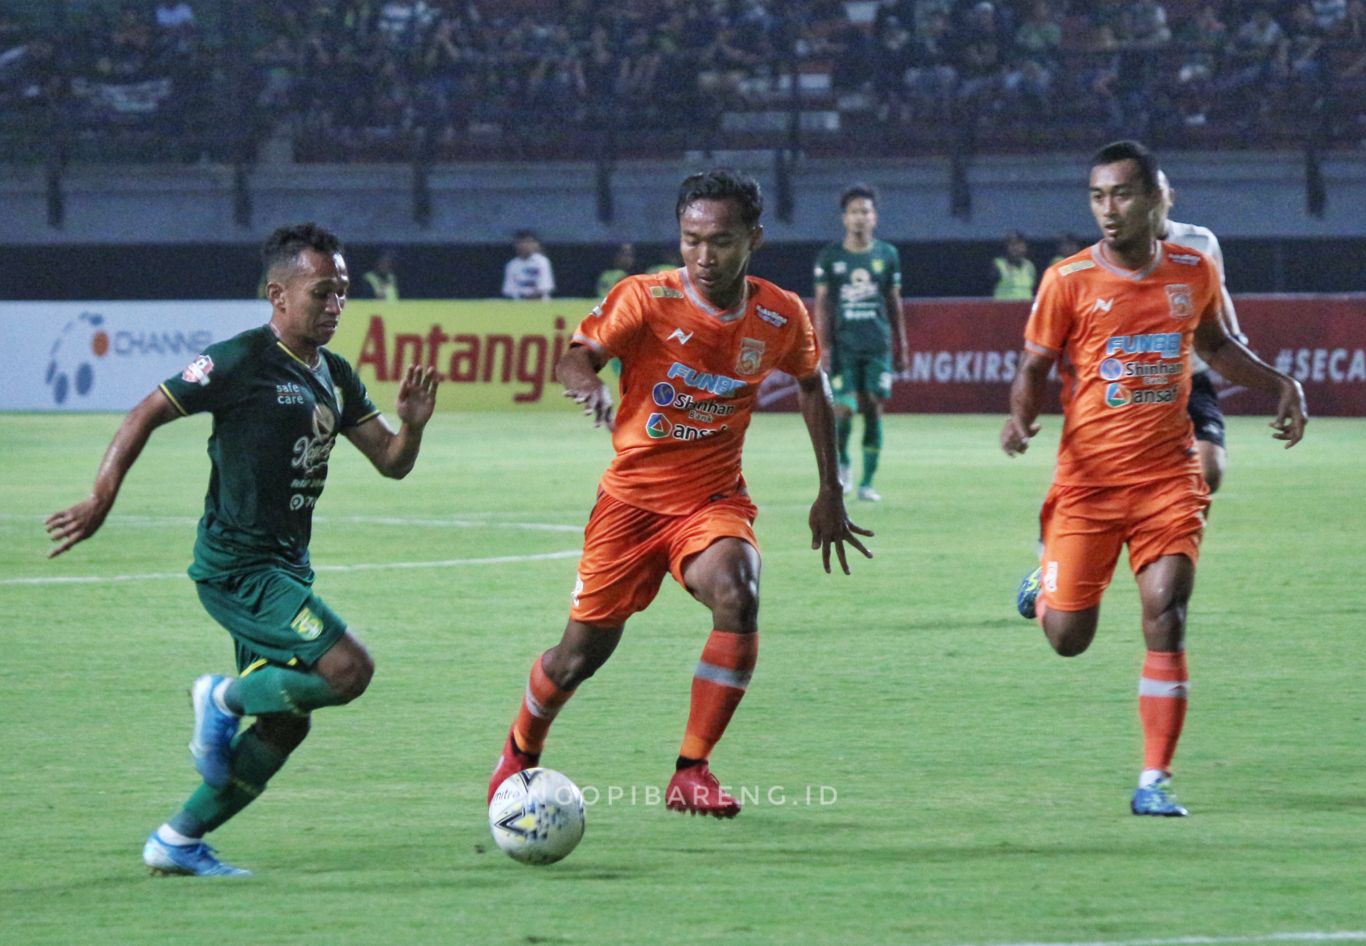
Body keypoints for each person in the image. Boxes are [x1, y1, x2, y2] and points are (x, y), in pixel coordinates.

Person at [46, 223, 439, 876]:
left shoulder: (335, 374)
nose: (336, 305)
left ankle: (176, 841)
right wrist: (102, 496)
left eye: (343, 292)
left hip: (284, 568)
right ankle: (221, 699)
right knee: (348, 671)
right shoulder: (238, 361)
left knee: (288, 723)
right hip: (239, 567)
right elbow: (145, 411)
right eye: (323, 292)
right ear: (277, 294)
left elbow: (392, 463)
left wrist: (416, 427)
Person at [487, 169, 873, 818]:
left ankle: (691, 770)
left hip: (711, 501)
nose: (702, 256)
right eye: (690, 239)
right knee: (579, 655)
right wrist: (588, 382)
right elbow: (575, 356)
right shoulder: (645, 297)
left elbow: (813, 384)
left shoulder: (780, 313)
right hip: (630, 506)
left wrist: (830, 489)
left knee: (739, 589)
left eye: (719, 241)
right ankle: (521, 750)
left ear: (754, 239)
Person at [1002, 141, 1306, 818]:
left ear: (1154, 200)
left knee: (1165, 612)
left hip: (1168, 478)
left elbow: (1218, 345)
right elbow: (1034, 364)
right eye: (1098, 197)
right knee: (1068, 638)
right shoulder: (1067, 279)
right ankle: (1044, 583)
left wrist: (1282, 383)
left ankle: (1153, 780)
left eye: (1123, 195)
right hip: (1089, 484)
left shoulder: (1194, 269)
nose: (1109, 210)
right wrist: (1020, 418)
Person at [1153, 170, 1249, 493]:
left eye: (1157, 190)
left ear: (1169, 196)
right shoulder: (1117, 252)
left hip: (1191, 375)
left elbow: (1218, 292)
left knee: (1210, 471)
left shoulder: (1200, 241)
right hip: (1141, 382)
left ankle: (1179, 534)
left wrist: (1234, 338)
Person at [812, 184, 907, 502]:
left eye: (865, 211)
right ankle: (844, 465)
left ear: (874, 217)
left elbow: (894, 303)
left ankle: (867, 483)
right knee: (843, 410)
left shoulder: (887, 255)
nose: (859, 217)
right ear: (844, 218)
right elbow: (823, 304)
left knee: (872, 409)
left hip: (877, 345)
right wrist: (822, 345)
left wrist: (901, 345)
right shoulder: (830, 257)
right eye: (854, 211)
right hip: (843, 347)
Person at [501, 229, 555, 300]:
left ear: (535, 244)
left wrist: (532, 296)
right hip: (519, 304)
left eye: (528, 242)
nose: (524, 245)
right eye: (521, 242)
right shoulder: (512, 265)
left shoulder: (542, 261)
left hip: (540, 303)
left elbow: (546, 286)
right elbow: (508, 290)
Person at [991, 229, 1037, 299]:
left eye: (1019, 244)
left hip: (1025, 308)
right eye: (1011, 244)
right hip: (1004, 308)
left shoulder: (1030, 266)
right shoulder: (998, 265)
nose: (1015, 248)